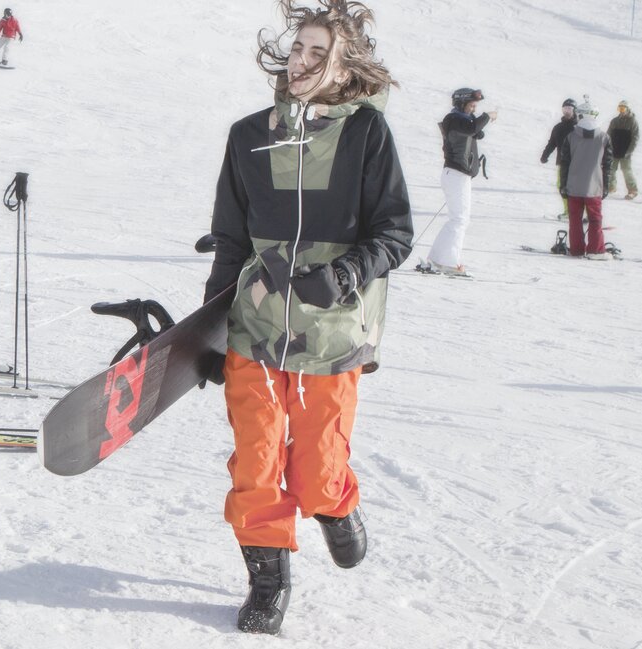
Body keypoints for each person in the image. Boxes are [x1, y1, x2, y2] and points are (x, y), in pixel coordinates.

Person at [204, 0, 409, 634]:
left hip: (334, 329)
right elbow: (230, 240)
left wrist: (344, 274)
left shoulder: (367, 134)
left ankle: (334, 503)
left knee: (317, 469)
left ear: (344, 68)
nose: (301, 60)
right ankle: (268, 582)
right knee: (256, 462)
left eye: (319, 53)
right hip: (257, 326)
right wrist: (211, 326)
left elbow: (394, 234)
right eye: (298, 48)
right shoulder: (249, 135)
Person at [419, 87, 494, 277]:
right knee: (460, 220)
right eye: (471, 106)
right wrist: (488, 116)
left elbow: (476, 132)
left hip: (457, 176)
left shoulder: (461, 120)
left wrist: (479, 122)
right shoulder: (453, 119)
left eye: (475, 106)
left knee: (458, 219)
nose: (474, 109)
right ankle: (450, 262)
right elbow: (473, 128)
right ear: (461, 104)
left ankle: (438, 259)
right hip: (456, 175)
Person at [561, 101, 614, 260]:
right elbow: (608, 165)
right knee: (595, 219)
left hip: (574, 186)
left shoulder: (571, 137)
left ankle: (576, 250)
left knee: (575, 220)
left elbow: (565, 163)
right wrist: (606, 186)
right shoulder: (604, 137)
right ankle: (595, 250)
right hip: (594, 186)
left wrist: (563, 185)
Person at [539, 98, 577, 217]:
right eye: (565, 109)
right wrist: (545, 155)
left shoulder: (579, 127)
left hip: (577, 162)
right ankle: (568, 211)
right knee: (562, 186)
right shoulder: (558, 127)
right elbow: (552, 143)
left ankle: (583, 213)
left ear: (575, 110)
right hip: (562, 162)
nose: (567, 112)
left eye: (569, 109)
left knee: (578, 187)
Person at [608, 100, 640, 199]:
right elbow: (608, 135)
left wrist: (629, 151)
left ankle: (633, 190)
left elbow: (635, 138)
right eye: (620, 108)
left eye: (623, 108)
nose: (621, 111)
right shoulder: (615, 121)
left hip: (625, 152)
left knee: (626, 170)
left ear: (628, 109)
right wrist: (608, 148)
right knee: (611, 169)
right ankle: (611, 187)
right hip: (614, 150)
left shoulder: (632, 121)